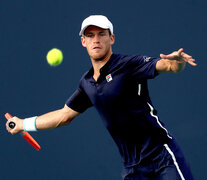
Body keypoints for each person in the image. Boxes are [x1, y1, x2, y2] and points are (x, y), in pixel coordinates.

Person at [6, 15, 196, 180]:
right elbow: (64, 116)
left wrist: (177, 62)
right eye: (90, 35)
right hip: (133, 169)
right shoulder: (87, 83)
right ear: (83, 41)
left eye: (101, 34)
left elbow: (168, 66)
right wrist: (23, 124)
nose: (96, 39)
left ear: (111, 38)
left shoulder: (129, 64)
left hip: (162, 157)